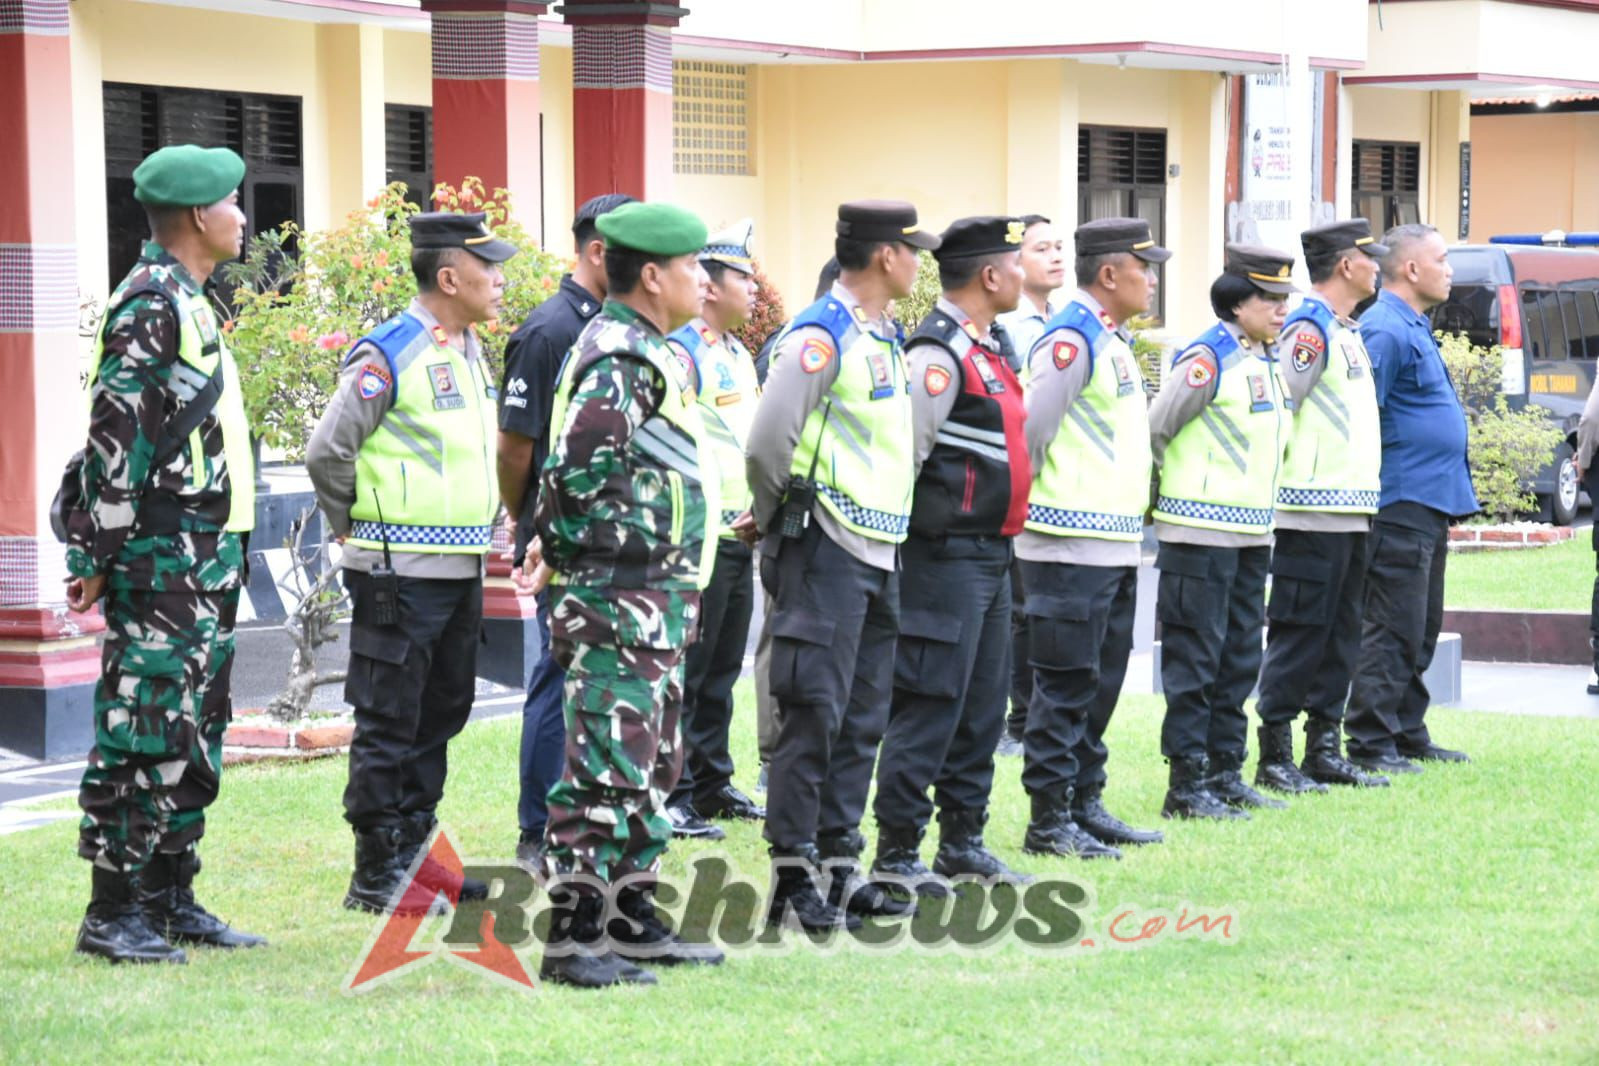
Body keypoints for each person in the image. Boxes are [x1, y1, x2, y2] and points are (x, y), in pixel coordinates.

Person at [65, 143, 264, 963]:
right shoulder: (150, 303)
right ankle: (112, 911)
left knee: (195, 725)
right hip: (163, 557)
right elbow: (119, 441)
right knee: (143, 723)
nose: (243, 216)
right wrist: (94, 554)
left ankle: (168, 894)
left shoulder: (190, 297)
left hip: (207, 555)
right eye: (232, 202)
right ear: (195, 217)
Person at [533, 201, 724, 988]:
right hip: (619, 597)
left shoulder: (652, 349)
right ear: (653, 276)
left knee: (651, 766)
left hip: (654, 595)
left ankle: (630, 915)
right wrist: (600, 564)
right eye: (693, 268)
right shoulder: (620, 356)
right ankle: (575, 936)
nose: (706, 283)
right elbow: (574, 475)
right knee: (606, 769)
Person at [306, 211, 514, 913]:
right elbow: (327, 451)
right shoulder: (392, 351)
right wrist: (355, 529)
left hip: (458, 570)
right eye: (491, 269)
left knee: (442, 712)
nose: (501, 282)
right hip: (399, 574)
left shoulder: (467, 348)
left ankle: (418, 859)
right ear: (449, 277)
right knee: (391, 717)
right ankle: (375, 872)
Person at [746, 200, 938, 931]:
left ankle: (837, 863)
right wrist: (775, 521)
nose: (919, 261)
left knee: (860, 718)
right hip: (823, 547)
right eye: (911, 250)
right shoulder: (821, 336)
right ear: (885, 256)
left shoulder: (879, 336)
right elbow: (768, 442)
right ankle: (793, 877)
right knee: (812, 715)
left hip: (876, 550)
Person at [869, 216, 1033, 897]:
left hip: (992, 555)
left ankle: (962, 841)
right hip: (944, 559)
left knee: (981, 706)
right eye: (1017, 264)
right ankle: (897, 851)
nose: (1026, 275)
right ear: (989, 277)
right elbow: (904, 457)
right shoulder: (936, 357)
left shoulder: (990, 348)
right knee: (930, 702)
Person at [1017, 217, 1170, 856]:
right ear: (1110, 275)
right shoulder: (1071, 339)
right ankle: (1049, 821)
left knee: (1100, 681)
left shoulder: (1108, 339)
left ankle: (1085, 801)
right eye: (1146, 267)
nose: (1155, 279)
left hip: (1109, 543)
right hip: (1065, 544)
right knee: (1064, 685)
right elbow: (1029, 434)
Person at [496, 192, 634, 871]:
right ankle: (535, 828)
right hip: (555, 534)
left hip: (604, 541)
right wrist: (530, 524)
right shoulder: (551, 330)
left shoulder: (616, 329)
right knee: (555, 676)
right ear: (598, 251)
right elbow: (515, 446)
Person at [1149, 244, 1296, 820]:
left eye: (1285, 298)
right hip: (1199, 535)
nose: (1282, 309)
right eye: (1270, 299)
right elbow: (1158, 428)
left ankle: (1225, 771)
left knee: (1238, 658)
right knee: (1197, 664)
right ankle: (1186, 785)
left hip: (1251, 534)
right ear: (1237, 305)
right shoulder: (1208, 359)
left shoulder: (1264, 357)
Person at [1254, 220, 1391, 791]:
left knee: (1340, 634)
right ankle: (1275, 753)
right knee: (1301, 630)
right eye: (1370, 257)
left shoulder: (1345, 329)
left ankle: (1322, 747)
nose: (1377, 265)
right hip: (1309, 509)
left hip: (1349, 509)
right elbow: (1284, 403)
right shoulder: (1309, 328)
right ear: (1344, 265)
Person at [1344, 224, 1477, 771]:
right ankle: (1372, 741)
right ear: (1412, 269)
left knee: (1419, 625)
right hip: (1399, 500)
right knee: (1392, 625)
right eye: (1442, 259)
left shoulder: (1412, 324)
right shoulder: (1386, 330)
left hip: (1427, 499)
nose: (1451, 270)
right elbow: (1361, 414)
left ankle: (1405, 728)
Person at [663, 219, 766, 838]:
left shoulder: (737, 354)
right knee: (691, 673)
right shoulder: (685, 354)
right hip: (701, 539)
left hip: (742, 534)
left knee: (724, 671)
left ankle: (711, 780)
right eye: (744, 279)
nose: (755, 290)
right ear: (709, 288)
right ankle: (673, 791)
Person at [751, 256, 843, 793]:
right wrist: (769, 515)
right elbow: (769, 446)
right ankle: (773, 759)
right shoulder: (804, 343)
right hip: (793, 516)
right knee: (782, 641)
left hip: (840, 523)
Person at [994, 214, 1067, 758]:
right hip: (1013, 481)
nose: (1057, 257)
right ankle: (1015, 721)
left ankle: (1032, 713)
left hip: (1053, 487)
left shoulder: (1061, 321)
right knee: (1017, 611)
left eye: (1060, 247)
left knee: (1040, 609)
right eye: (1043, 249)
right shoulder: (1006, 327)